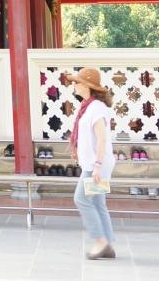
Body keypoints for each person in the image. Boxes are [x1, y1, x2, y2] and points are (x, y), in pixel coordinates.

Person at [65, 66, 117, 260]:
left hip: (96, 166)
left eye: (77, 82)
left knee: (81, 199)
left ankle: (100, 241)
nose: (74, 85)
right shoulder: (89, 106)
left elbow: (101, 138)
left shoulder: (95, 108)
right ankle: (107, 244)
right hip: (95, 164)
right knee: (97, 203)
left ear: (86, 85)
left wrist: (97, 166)